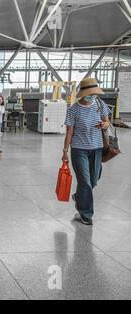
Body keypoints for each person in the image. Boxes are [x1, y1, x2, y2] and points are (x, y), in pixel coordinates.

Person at [62, 78, 110, 226]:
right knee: (85, 181)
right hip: (79, 149)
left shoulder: (100, 104)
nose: (93, 96)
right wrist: (65, 151)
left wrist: (104, 124)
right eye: (90, 93)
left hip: (97, 148)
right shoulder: (73, 109)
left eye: (94, 93)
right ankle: (86, 214)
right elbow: (69, 131)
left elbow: (108, 122)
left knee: (93, 180)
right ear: (83, 94)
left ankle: (78, 196)